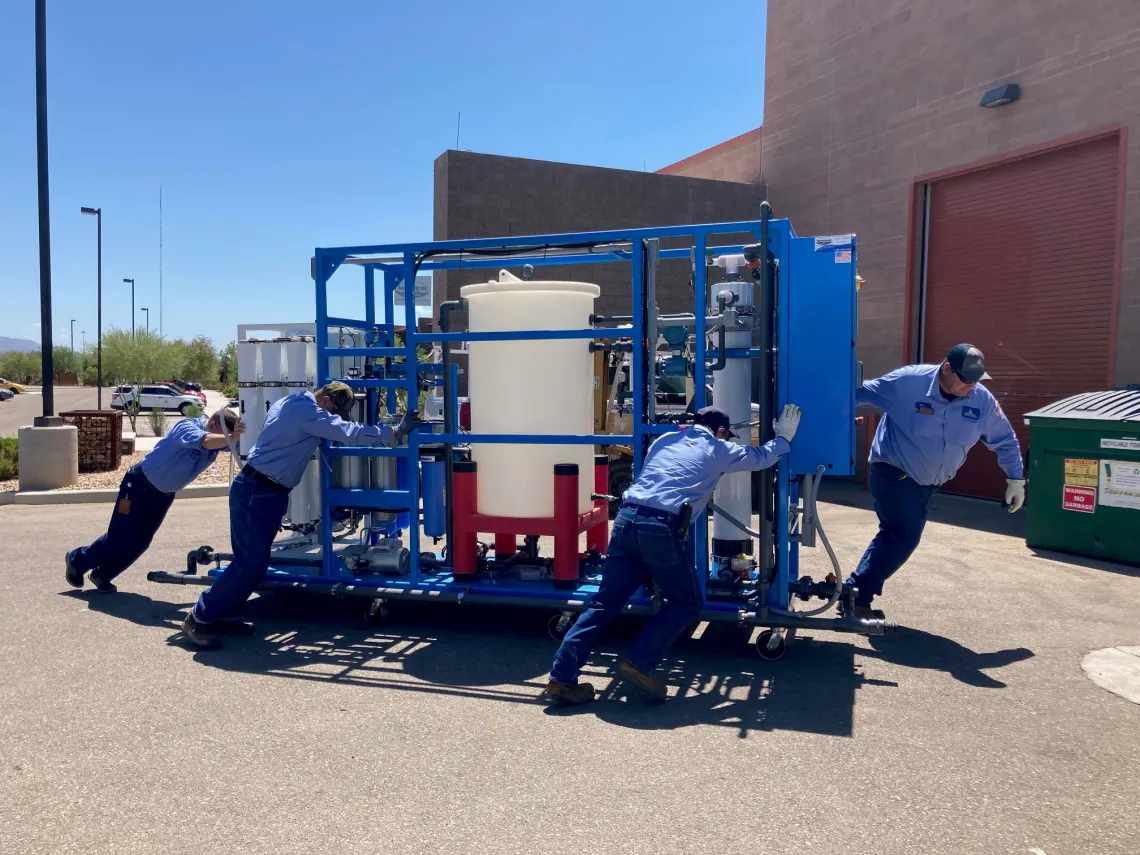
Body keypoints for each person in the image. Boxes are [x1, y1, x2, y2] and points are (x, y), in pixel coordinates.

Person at [544, 402, 803, 705]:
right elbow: (762, 458)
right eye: (725, 435)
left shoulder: (664, 440)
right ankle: (639, 662)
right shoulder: (716, 448)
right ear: (720, 431)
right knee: (687, 600)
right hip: (659, 528)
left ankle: (561, 677)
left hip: (627, 519)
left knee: (605, 602)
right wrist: (783, 438)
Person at [181, 382, 426, 648]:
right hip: (257, 491)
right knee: (248, 563)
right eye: (334, 410)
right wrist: (393, 431)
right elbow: (347, 431)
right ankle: (200, 617)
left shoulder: (293, 402)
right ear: (327, 399)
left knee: (256, 563)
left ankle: (221, 615)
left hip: (265, 491)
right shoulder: (307, 412)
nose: (333, 415)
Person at [846, 343, 1025, 619]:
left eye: (977, 381)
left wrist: (1015, 479)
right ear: (946, 369)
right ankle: (857, 596)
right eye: (965, 380)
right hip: (894, 471)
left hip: (929, 483)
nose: (971, 387)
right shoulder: (908, 383)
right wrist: (825, 413)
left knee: (895, 535)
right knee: (902, 535)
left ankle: (854, 593)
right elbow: (856, 393)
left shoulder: (982, 400)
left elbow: (1005, 439)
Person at [65, 409, 245, 593]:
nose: (226, 442)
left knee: (141, 541)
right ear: (214, 425)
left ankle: (102, 574)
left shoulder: (221, 439)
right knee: (119, 536)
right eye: (225, 435)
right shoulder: (187, 427)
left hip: (164, 495)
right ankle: (77, 559)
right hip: (138, 486)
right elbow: (205, 441)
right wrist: (232, 437)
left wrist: (243, 435)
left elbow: (241, 446)